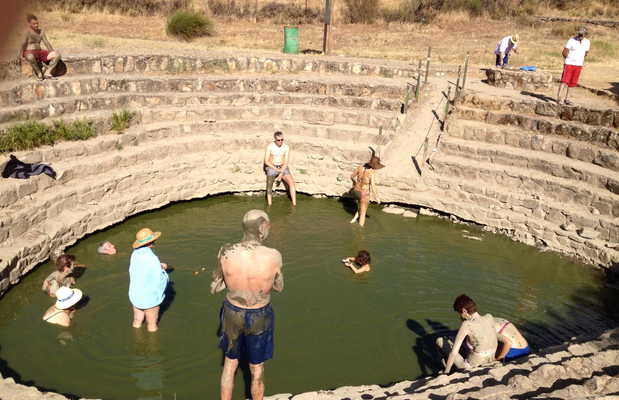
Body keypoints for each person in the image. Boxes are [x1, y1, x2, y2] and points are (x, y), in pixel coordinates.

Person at [211, 210, 284, 400]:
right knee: (256, 367)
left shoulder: (225, 251)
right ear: (261, 227)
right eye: (268, 225)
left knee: (229, 364)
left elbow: (216, 286)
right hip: (259, 314)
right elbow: (278, 287)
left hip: (232, 312)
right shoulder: (273, 255)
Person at [436, 294, 497, 374]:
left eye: (459, 313)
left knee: (440, 340)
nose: (460, 316)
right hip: (490, 359)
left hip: (471, 366)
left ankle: (446, 367)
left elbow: (454, 352)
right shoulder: (489, 317)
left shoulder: (467, 325)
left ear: (464, 311)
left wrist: (446, 372)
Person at [129, 228, 169, 333]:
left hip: (135, 295)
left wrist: (159, 266)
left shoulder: (135, 254)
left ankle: (136, 331)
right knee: (152, 325)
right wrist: (165, 274)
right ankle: (152, 346)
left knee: (137, 320)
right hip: (149, 299)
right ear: (151, 242)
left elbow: (140, 269)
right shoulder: (152, 258)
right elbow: (159, 279)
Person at [19, 14, 62, 80]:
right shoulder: (27, 32)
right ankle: (39, 73)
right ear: (29, 24)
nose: (36, 25)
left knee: (57, 55)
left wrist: (52, 52)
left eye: (37, 23)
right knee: (30, 57)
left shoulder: (41, 31)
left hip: (40, 52)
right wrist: (21, 55)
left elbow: (46, 43)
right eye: (34, 24)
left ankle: (47, 73)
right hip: (29, 52)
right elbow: (23, 43)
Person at [350, 147, 383, 227]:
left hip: (356, 190)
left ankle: (354, 218)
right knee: (363, 213)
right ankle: (360, 231)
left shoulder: (359, 168)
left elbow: (351, 176)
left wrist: (355, 183)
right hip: (364, 193)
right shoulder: (371, 173)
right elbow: (373, 186)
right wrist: (377, 197)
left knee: (360, 204)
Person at [557, 26, 590, 106]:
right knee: (564, 81)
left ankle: (567, 99)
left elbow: (585, 53)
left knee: (572, 83)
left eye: (582, 35)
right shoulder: (571, 40)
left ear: (585, 35)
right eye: (579, 34)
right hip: (569, 64)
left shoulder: (587, 42)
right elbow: (564, 52)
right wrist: (569, 59)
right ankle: (559, 98)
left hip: (578, 65)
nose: (580, 36)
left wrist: (579, 59)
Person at [263, 131, 297, 206]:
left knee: (291, 183)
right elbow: (266, 161)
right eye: (278, 140)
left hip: (282, 167)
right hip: (272, 166)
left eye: (282, 139)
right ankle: (269, 205)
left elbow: (286, 162)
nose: (280, 142)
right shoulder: (270, 146)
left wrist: (281, 173)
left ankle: (294, 204)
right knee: (269, 186)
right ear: (275, 139)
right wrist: (276, 169)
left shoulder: (286, 147)